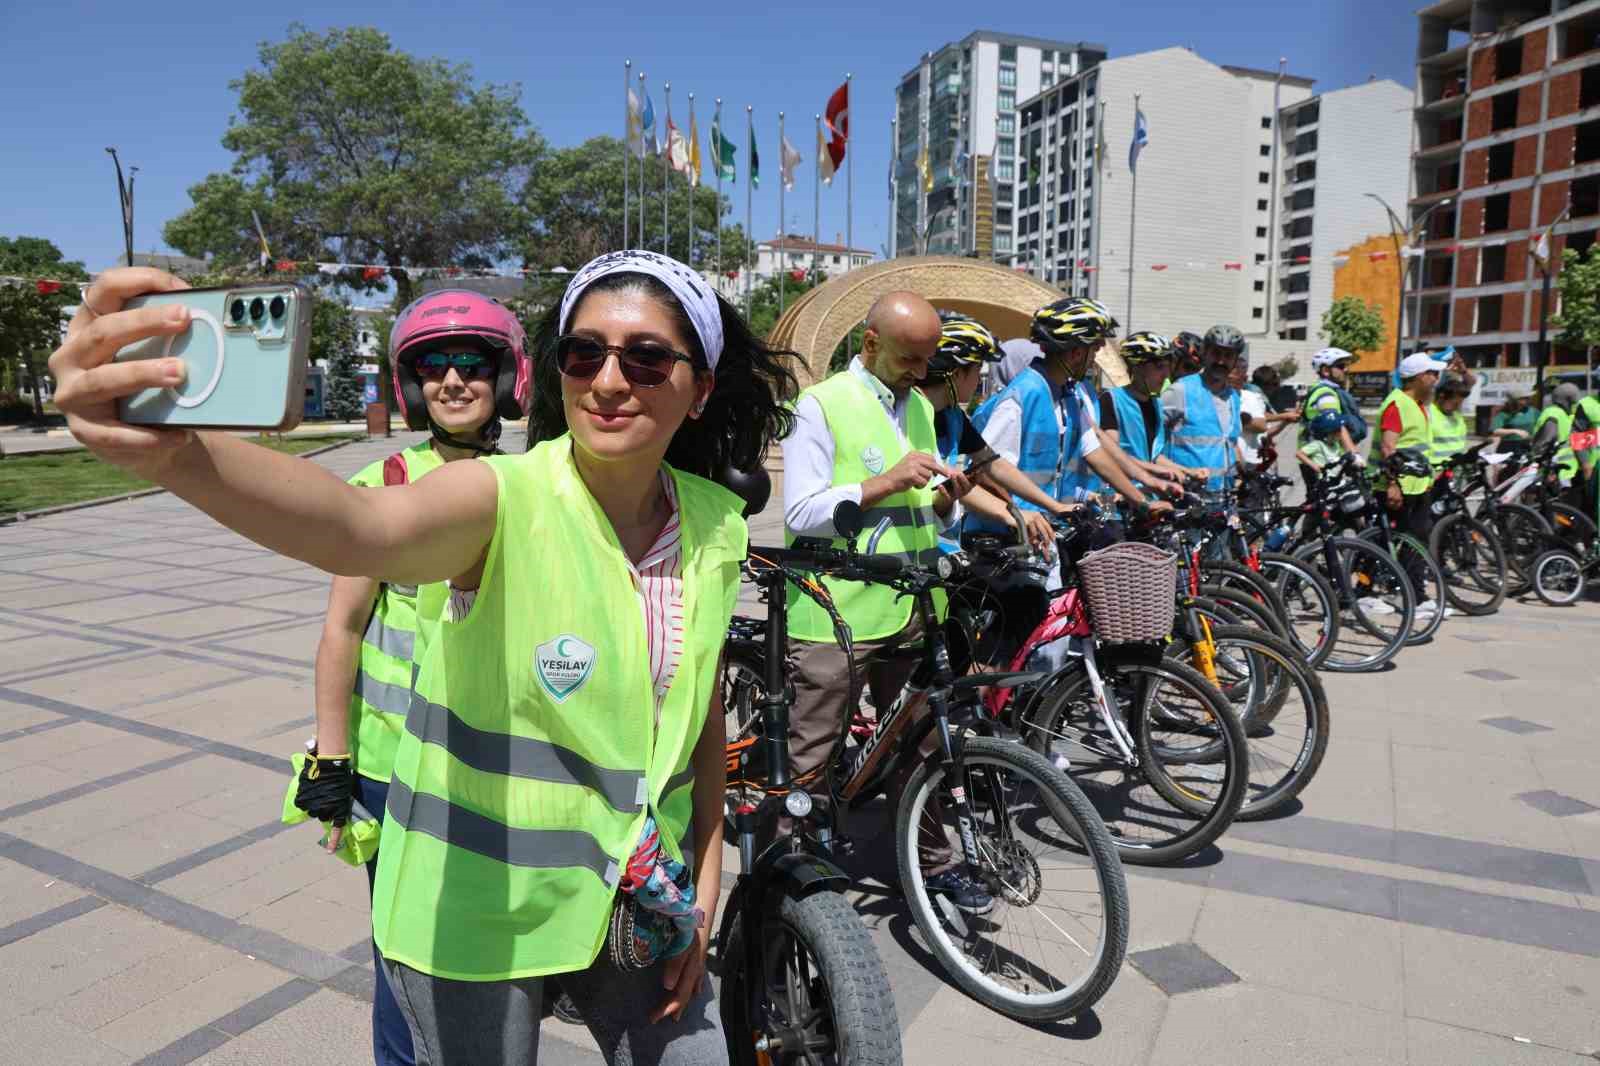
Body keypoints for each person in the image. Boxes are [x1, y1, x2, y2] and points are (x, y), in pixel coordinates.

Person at [49, 251, 800, 1066]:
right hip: (472, 906)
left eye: (647, 357)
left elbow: (697, 713)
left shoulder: (715, 525)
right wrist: (176, 457)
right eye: (585, 353)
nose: (610, 380)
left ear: (699, 389)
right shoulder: (497, 496)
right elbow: (357, 526)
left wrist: (707, 868)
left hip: (640, 893)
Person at [299, 289, 528, 1066]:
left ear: (506, 379)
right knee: (404, 957)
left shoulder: (529, 487)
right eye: (434, 366)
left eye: (473, 364)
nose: (454, 381)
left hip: (496, 767)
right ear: (410, 384)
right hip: (396, 771)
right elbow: (343, 628)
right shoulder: (383, 483)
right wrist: (333, 761)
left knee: (493, 954)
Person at [781, 291, 993, 911]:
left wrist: (947, 499)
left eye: (929, 360)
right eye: (909, 357)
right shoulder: (819, 407)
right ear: (870, 342)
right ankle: (792, 865)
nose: (921, 372)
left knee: (921, 743)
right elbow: (801, 512)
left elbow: (923, 512)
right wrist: (887, 480)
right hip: (836, 612)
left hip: (914, 605)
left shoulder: (920, 408)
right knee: (812, 751)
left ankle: (930, 861)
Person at [970, 296, 1171, 527]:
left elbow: (1094, 451)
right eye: (1094, 350)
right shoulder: (1023, 395)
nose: (1094, 359)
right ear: (1076, 353)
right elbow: (987, 470)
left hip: (1048, 527)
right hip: (1010, 532)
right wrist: (1019, 516)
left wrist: (1142, 503)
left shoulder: (1068, 396)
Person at [921, 311, 1078, 554]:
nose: (979, 381)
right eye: (976, 372)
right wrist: (1013, 515)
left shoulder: (954, 417)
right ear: (957, 373)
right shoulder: (913, 413)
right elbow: (952, 487)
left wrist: (1054, 506)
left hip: (939, 542)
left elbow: (993, 463)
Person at [1373, 352, 1448, 620]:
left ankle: (1416, 596)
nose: (1437, 378)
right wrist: (1392, 484)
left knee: (1417, 540)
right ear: (1418, 377)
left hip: (1417, 485)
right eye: (1432, 373)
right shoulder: (1397, 404)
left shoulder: (1418, 404)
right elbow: (1388, 447)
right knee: (1386, 541)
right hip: (1397, 487)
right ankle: (1367, 594)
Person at [1095, 331, 1199, 492]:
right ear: (1136, 367)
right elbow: (1112, 453)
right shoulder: (1111, 400)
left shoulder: (1156, 403)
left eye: (1168, 366)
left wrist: (1187, 471)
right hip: (1119, 495)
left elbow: (1153, 455)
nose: (1166, 375)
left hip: (1150, 493)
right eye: (1159, 367)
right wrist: (1152, 469)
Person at [1163, 324, 1245, 492]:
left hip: (1223, 498)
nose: (1221, 361)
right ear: (1205, 353)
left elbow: (1230, 443)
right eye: (1216, 353)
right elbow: (1148, 442)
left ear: (1235, 360)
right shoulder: (1180, 390)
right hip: (1185, 497)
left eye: (1228, 356)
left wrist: (1245, 474)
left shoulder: (1233, 398)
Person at [1296, 347, 1368, 490]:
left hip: (1320, 458)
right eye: (1341, 366)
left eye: (1346, 365)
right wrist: (1354, 454)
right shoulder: (1326, 393)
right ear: (1325, 371)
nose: (1346, 369)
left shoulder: (1321, 389)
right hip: (1321, 461)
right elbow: (1335, 424)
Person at [1235, 358, 1298, 471]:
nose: (1276, 388)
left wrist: (1286, 420)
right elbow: (1261, 419)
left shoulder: (1254, 394)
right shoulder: (1254, 394)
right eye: (1275, 384)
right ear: (1267, 384)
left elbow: (1265, 431)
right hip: (1247, 458)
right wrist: (1284, 416)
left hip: (1256, 456)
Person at [1533, 382, 1582, 505]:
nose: (1574, 404)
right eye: (1572, 401)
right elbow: (1545, 443)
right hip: (1555, 472)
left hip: (1564, 472)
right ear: (1567, 400)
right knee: (1553, 511)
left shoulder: (1564, 415)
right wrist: (1546, 471)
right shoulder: (1553, 414)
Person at [1427, 372, 1473, 468]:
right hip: (1437, 471)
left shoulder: (1456, 416)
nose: (1457, 407)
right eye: (1454, 403)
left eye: (1460, 403)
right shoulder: (1428, 413)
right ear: (1442, 396)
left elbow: (1471, 382)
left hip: (1456, 470)